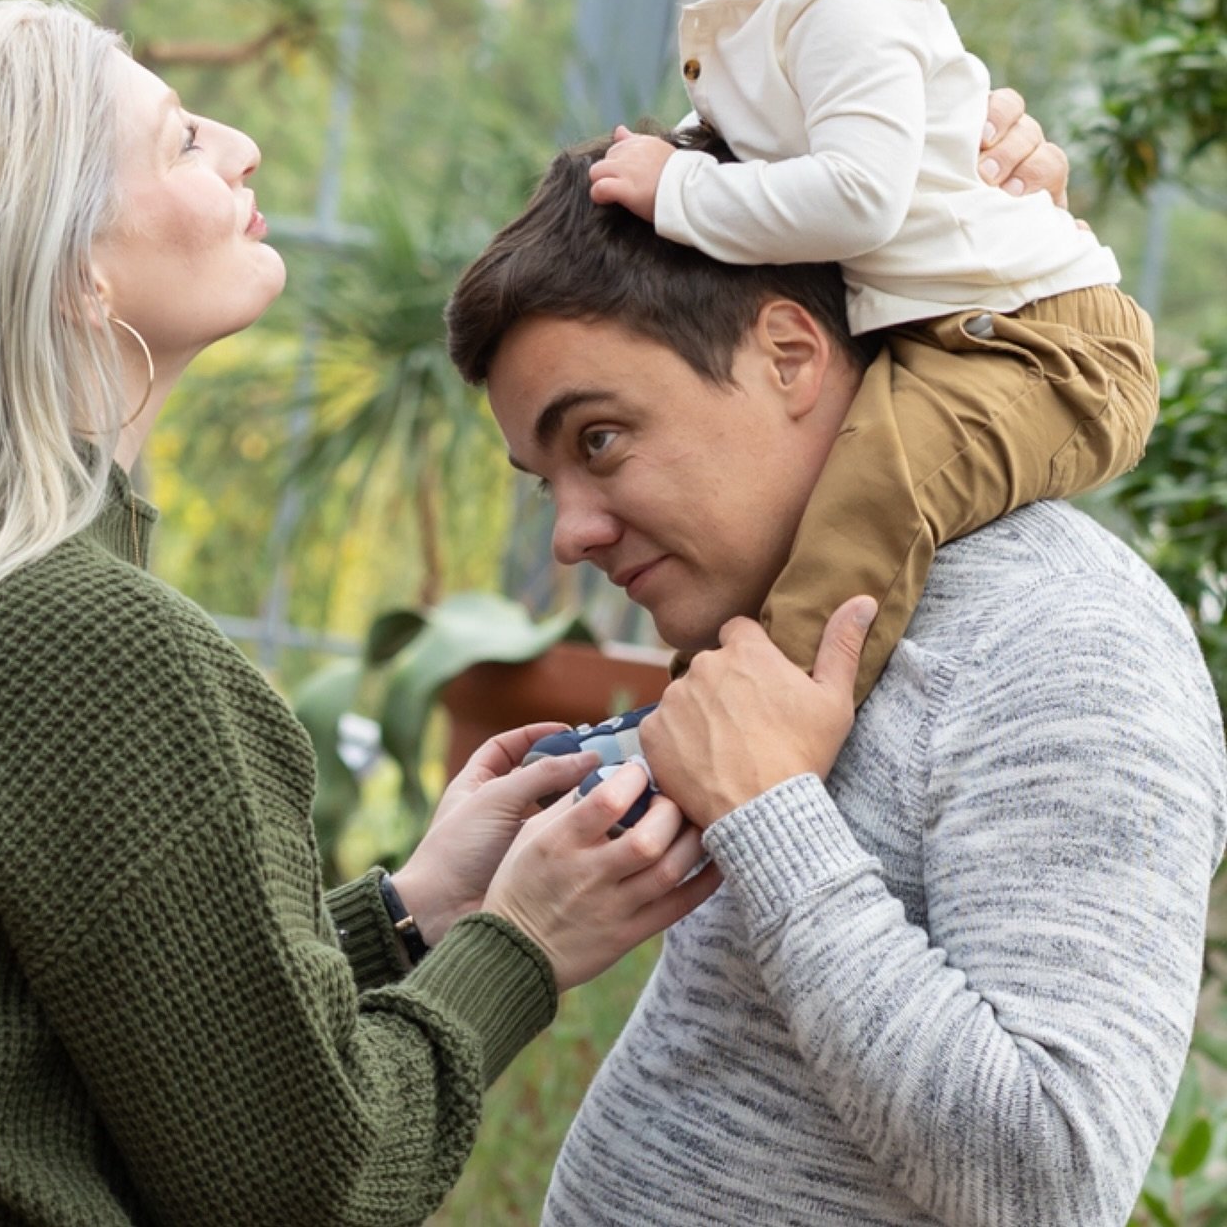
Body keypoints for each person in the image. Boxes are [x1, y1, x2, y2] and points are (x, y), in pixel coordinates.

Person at [0, 0, 722, 1227]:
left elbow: (54, 1053)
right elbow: (308, 1188)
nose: (242, 146)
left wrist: (412, 912)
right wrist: (523, 945)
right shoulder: (93, 649)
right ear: (76, 273)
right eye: (180, 142)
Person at [446, 126, 1227, 1227]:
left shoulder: (1067, 644)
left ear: (791, 355)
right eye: (547, 480)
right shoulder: (784, 620)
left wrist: (771, 817)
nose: (571, 531)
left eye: (603, 440)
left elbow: (1054, 1179)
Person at [586, 0, 1157, 702]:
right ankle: (715, 698)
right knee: (805, 497)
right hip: (953, 331)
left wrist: (685, 187)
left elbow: (856, 198)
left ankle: (756, 719)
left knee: (872, 498)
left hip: (1032, 346)